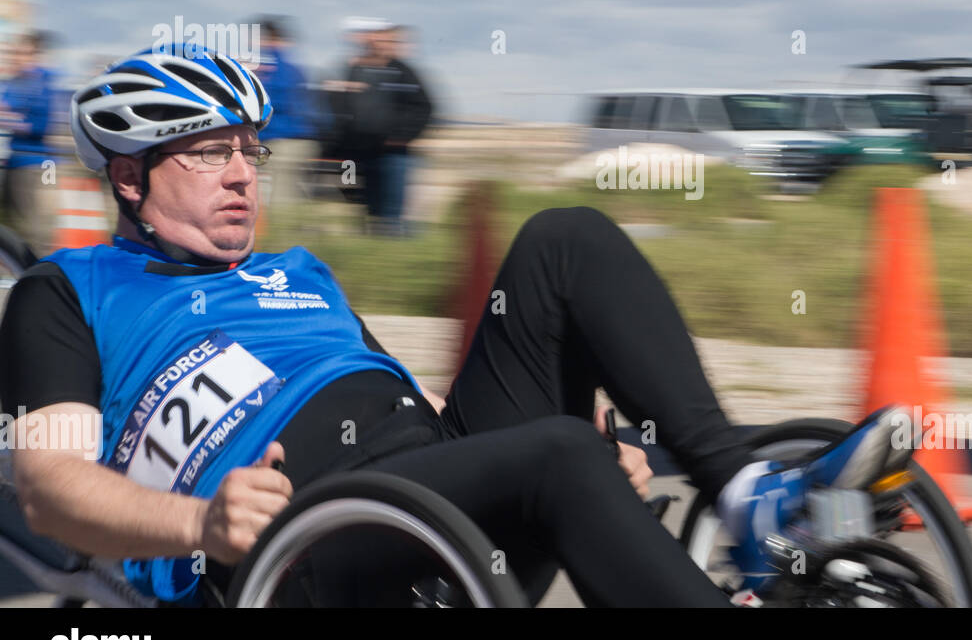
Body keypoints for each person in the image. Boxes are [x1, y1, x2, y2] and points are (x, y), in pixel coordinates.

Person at [0, 43, 910, 607]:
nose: (242, 173)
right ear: (129, 179)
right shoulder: (71, 289)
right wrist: (202, 520)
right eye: (207, 153)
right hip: (309, 541)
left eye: (249, 149)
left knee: (564, 240)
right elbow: (48, 487)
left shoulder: (300, 274)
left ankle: (747, 490)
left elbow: (425, 405)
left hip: (426, 480)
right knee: (557, 453)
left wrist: (599, 456)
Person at [332, 22, 434, 236]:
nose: (378, 45)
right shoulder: (356, 70)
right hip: (361, 153)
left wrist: (401, 137)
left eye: (386, 41)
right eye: (375, 41)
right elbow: (341, 104)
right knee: (368, 208)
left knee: (391, 212)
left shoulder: (404, 72)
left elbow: (425, 108)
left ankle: (397, 247)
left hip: (394, 155)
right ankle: (374, 245)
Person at [248, 16, 318, 220]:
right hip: (295, 141)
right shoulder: (293, 68)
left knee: (275, 203)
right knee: (284, 199)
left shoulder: (266, 68)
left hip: (279, 140)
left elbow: (264, 107)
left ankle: (279, 244)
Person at [0, 30, 59, 256]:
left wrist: (8, 118)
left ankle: (39, 278)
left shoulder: (43, 82)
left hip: (38, 165)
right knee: (16, 226)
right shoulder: (16, 82)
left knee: (36, 229)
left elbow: (41, 127)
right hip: (16, 162)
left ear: (35, 54)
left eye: (21, 53)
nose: (16, 58)